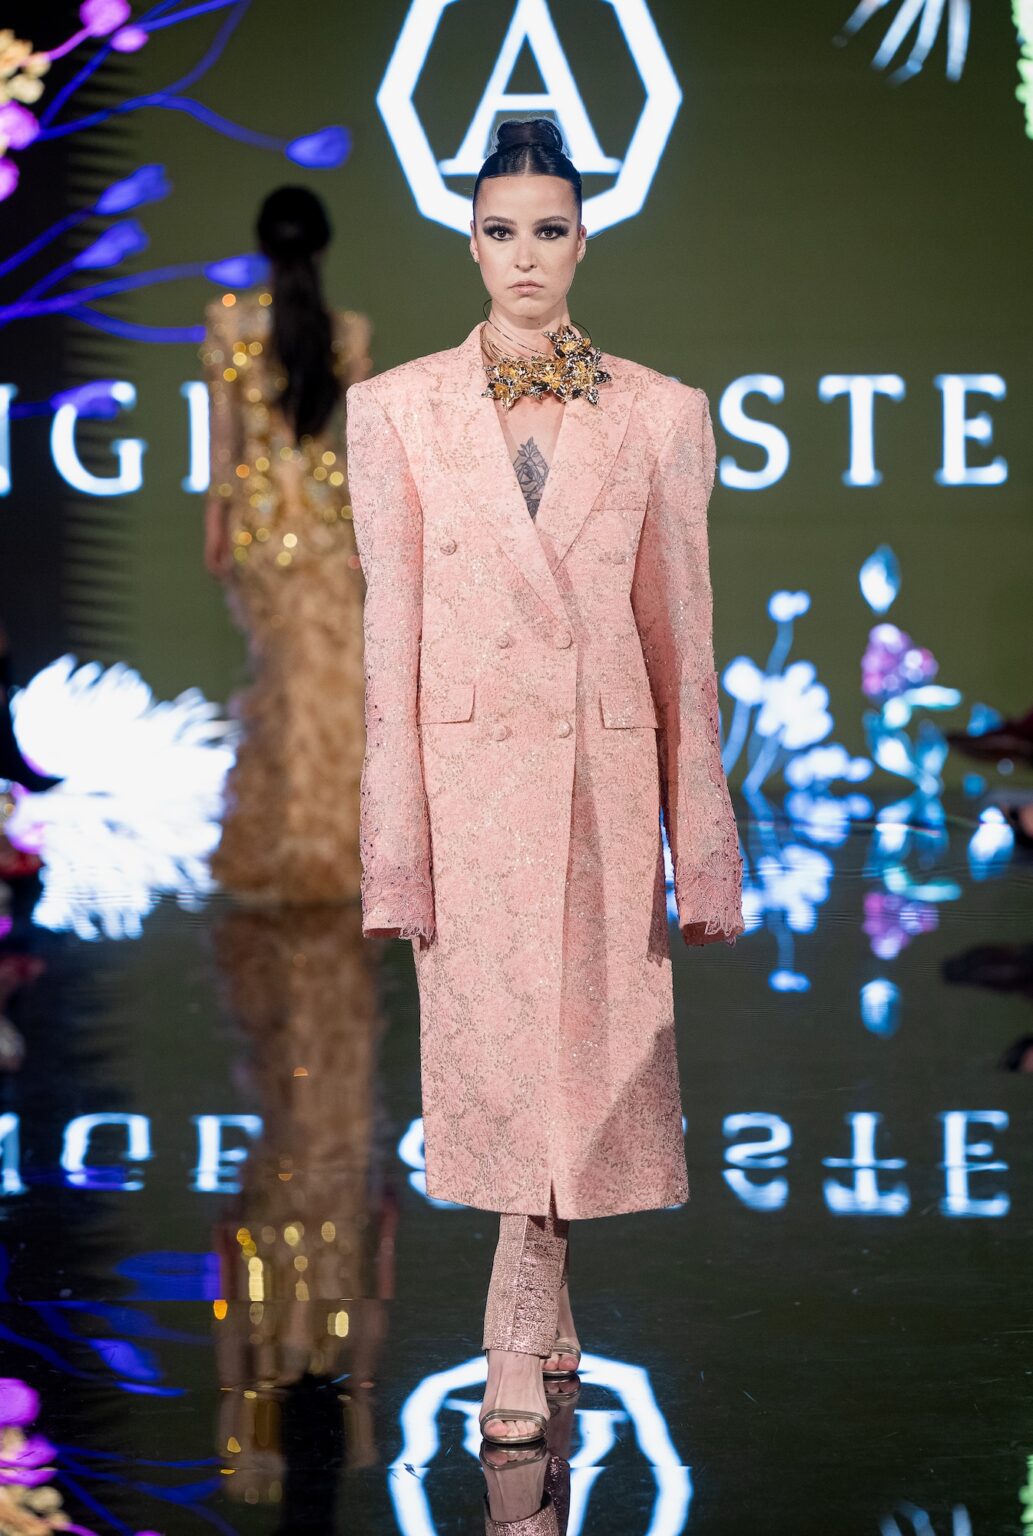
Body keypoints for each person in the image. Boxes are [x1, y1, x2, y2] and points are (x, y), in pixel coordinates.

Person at [346, 119, 744, 1463]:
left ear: (586, 239)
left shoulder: (661, 413)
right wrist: (391, 851)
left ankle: (515, 1317)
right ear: (469, 240)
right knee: (497, 1049)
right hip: (464, 783)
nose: (525, 256)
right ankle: (538, 1288)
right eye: (501, 229)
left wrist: (705, 850)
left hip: (596, 775)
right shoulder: (394, 411)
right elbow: (385, 643)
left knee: (581, 1044)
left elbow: (683, 643)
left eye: (551, 229)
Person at [201, 185, 372, 903]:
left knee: (285, 685)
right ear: (324, 247)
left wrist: (216, 523)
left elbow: (222, 442)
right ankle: (329, 849)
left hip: (262, 527)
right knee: (327, 689)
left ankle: (290, 848)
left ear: (263, 248)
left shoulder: (227, 321)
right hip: (332, 527)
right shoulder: (350, 332)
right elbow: (353, 452)